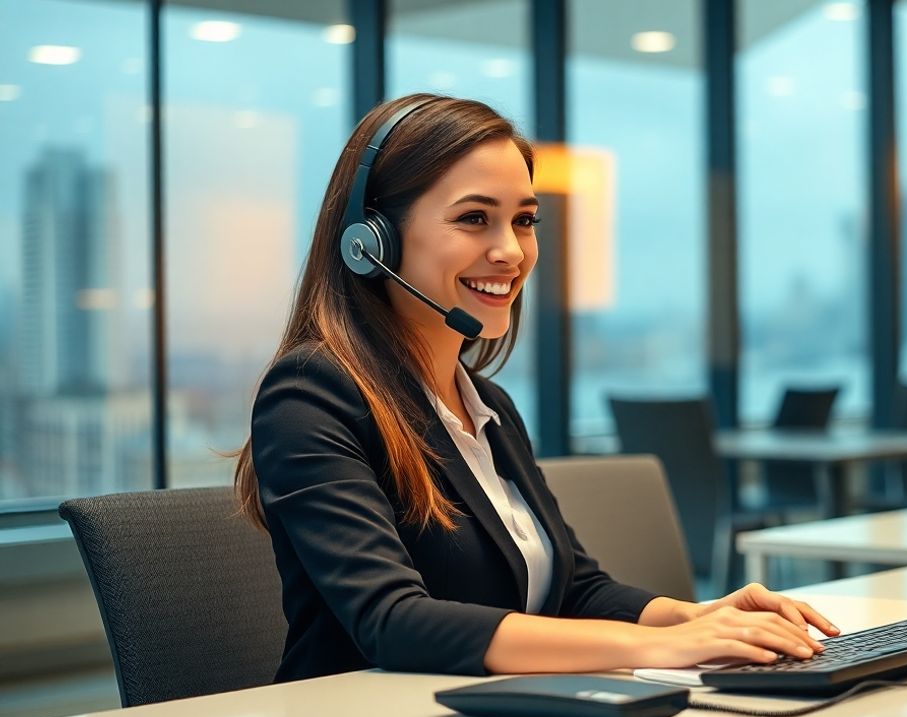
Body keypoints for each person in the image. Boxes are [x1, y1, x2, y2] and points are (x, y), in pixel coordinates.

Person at [234, 93, 839, 682]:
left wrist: (698, 617)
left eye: (524, 220)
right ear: (372, 242)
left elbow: (575, 590)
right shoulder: (310, 395)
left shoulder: (489, 407)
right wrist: (664, 647)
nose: (510, 252)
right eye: (474, 218)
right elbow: (393, 621)